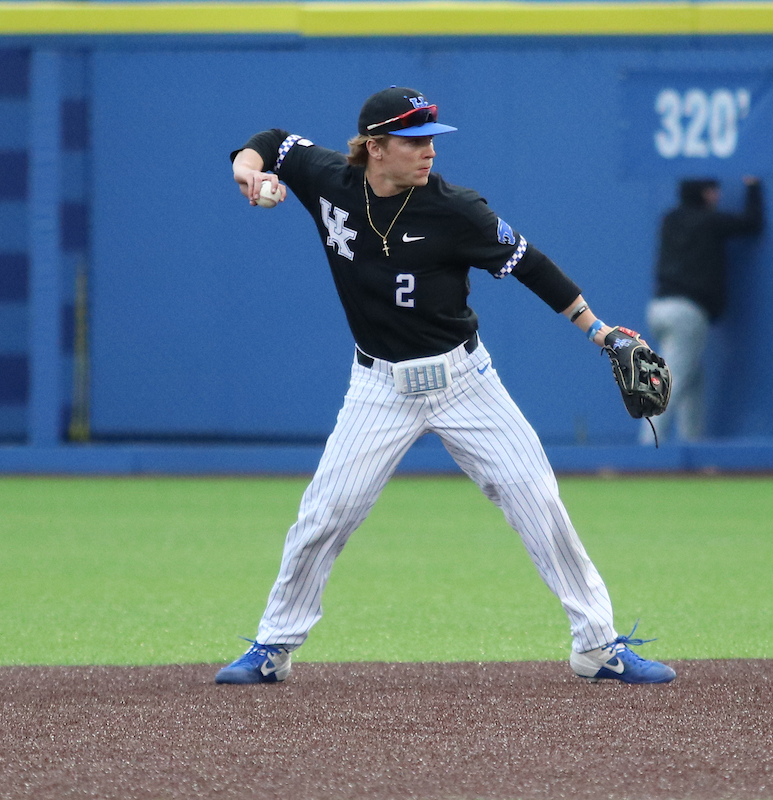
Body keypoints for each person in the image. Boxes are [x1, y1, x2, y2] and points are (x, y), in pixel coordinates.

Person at [216, 86, 676, 686]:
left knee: (536, 498)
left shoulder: (457, 210)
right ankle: (273, 646)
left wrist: (599, 331)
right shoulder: (329, 179)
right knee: (326, 513)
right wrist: (245, 172)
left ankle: (597, 646)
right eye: (413, 141)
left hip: (465, 381)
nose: (428, 151)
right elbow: (273, 144)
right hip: (379, 387)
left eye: (431, 138)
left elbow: (530, 265)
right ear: (375, 148)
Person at [642, 176, 763, 444]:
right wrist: (753, 186)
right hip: (686, 314)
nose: (716, 196)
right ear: (703, 194)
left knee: (693, 379)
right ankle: (646, 451)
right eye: (712, 191)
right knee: (671, 382)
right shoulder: (710, 221)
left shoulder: (670, 219)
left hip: (659, 309)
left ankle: (692, 448)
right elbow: (752, 223)